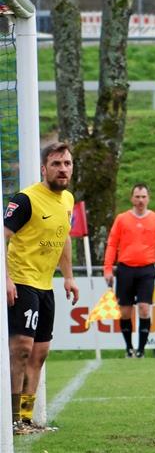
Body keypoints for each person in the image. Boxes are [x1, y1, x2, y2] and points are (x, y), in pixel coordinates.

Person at [4, 142, 79, 434]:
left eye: (67, 164)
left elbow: (65, 237)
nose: (63, 169)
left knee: (40, 353)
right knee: (20, 349)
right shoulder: (25, 200)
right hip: (22, 282)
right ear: (43, 168)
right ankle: (10, 419)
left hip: (46, 286)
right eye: (57, 164)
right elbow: (3, 236)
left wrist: (69, 277)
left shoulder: (68, 200)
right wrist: (6, 279)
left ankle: (24, 418)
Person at [103, 182, 155, 358]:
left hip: (146, 270)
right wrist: (108, 269)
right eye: (137, 197)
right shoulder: (122, 219)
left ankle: (141, 350)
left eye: (143, 197)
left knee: (144, 308)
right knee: (125, 311)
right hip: (125, 269)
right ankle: (129, 348)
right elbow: (112, 244)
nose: (140, 200)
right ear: (132, 198)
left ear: (148, 198)